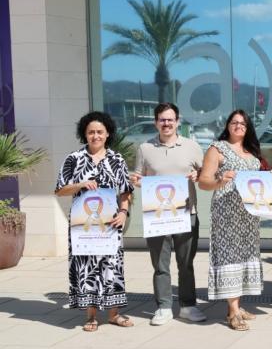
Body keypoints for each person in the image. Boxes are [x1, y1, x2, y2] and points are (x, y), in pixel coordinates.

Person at [55, 112, 134, 332]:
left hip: (110, 223)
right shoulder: (74, 158)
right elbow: (60, 189)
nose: (95, 136)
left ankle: (114, 314)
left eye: (100, 132)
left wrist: (124, 212)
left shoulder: (117, 159)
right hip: (83, 225)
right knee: (86, 266)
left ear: (108, 134)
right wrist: (80, 184)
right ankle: (91, 316)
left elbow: (126, 191)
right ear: (85, 134)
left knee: (112, 266)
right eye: (91, 132)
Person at [130, 102, 206, 326]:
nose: (166, 123)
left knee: (186, 263)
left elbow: (205, 173)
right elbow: (138, 176)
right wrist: (137, 181)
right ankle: (163, 307)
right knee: (160, 265)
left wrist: (198, 175)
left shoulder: (192, 146)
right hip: (157, 215)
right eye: (162, 120)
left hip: (187, 212)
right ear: (156, 122)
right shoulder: (145, 148)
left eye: (170, 119)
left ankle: (188, 306)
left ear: (177, 122)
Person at [199, 110, 265, 331]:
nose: (238, 126)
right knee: (230, 257)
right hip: (226, 212)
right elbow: (203, 181)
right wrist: (220, 180)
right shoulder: (217, 148)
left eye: (243, 123)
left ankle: (236, 306)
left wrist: (271, 177)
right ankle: (233, 312)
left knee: (244, 256)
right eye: (234, 122)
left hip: (249, 215)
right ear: (227, 125)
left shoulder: (251, 151)